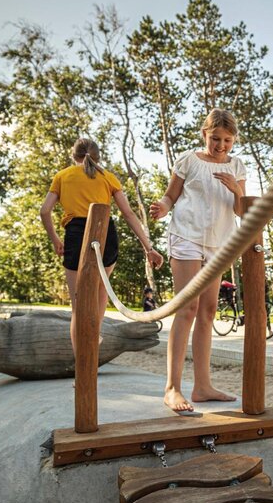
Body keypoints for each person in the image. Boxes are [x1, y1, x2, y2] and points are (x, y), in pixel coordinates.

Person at [149, 108, 247, 414]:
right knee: (187, 308)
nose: (220, 145)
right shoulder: (188, 160)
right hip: (187, 236)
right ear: (204, 134)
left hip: (219, 242)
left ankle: (203, 386)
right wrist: (162, 208)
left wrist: (235, 189)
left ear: (233, 141)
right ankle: (172, 388)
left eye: (227, 140)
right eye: (215, 138)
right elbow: (170, 196)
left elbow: (244, 211)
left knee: (207, 311)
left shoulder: (237, 166)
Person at [40, 138, 164, 356]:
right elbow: (128, 213)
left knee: (78, 307)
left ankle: (82, 366)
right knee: (99, 292)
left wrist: (55, 241)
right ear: (98, 157)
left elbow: (44, 211)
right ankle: (93, 346)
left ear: (73, 156)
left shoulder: (62, 176)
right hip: (105, 233)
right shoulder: (108, 177)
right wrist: (149, 247)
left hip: (76, 236)